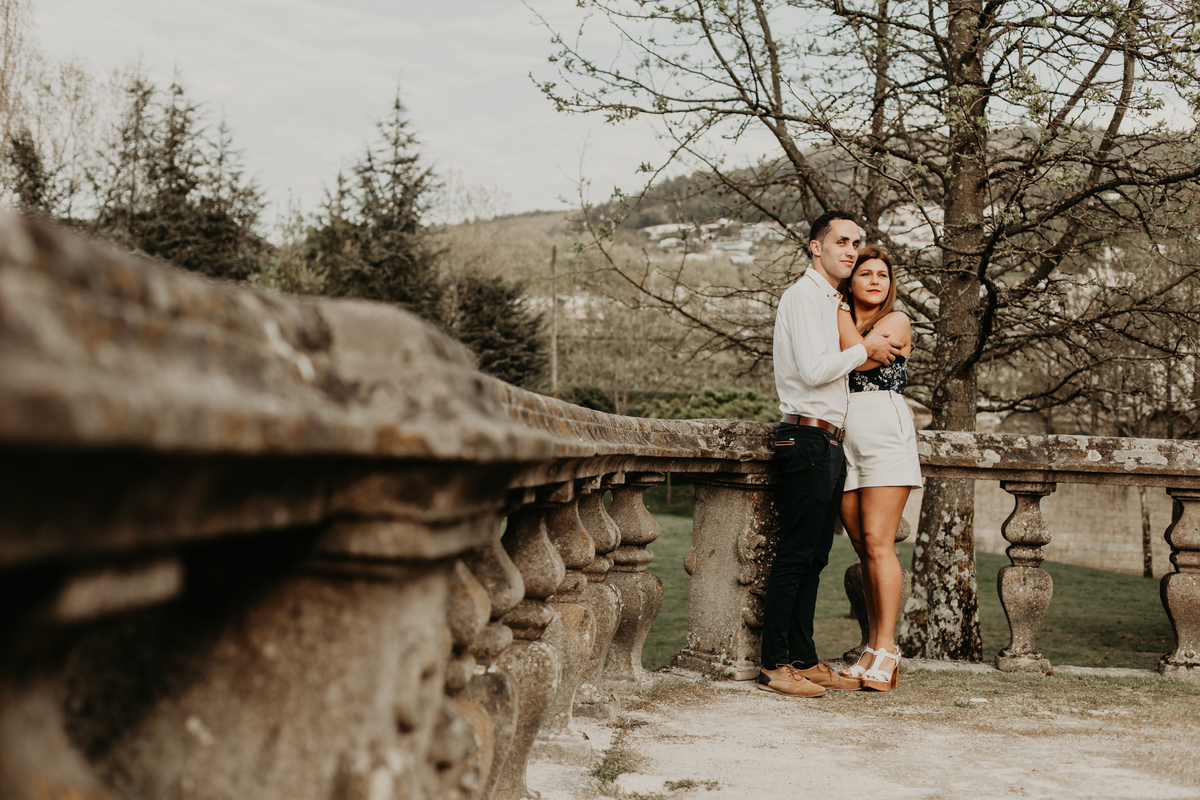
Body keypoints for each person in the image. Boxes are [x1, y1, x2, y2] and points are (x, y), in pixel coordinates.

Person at [758, 211, 903, 698]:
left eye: (855, 242)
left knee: (816, 555)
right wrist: (865, 351)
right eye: (840, 241)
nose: (849, 249)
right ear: (815, 247)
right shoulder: (802, 296)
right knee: (797, 554)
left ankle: (802, 656)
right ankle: (776, 663)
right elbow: (817, 370)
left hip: (829, 440)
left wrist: (859, 346)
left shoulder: (829, 300)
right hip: (806, 437)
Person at [834, 244, 922, 692]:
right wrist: (857, 348)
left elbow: (858, 358)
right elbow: (850, 357)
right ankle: (871, 646)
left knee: (879, 542)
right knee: (861, 546)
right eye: (864, 274)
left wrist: (840, 310)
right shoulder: (847, 321)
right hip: (843, 435)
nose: (874, 281)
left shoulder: (897, 320)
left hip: (884, 432)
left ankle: (887, 651)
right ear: (851, 281)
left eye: (881, 275)